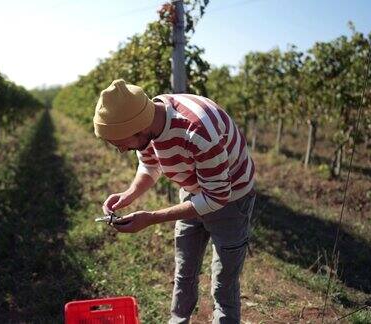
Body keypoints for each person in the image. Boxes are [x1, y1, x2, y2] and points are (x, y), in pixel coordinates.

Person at [94, 79, 255, 324]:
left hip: (231, 198)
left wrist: (152, 218)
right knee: (184, 270)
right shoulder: (145, 119)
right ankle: (178, 320)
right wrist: (128, 195)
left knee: (223, 282)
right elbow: (149, 165)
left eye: (120, 143)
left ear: (139, 128)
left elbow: (217, 196)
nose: (120, 150)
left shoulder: (198, 130)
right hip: (194, 189)